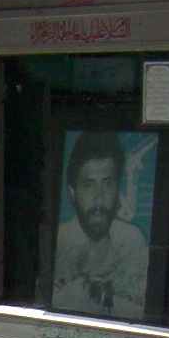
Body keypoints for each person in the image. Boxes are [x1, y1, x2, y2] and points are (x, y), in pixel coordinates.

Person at [51, 131, 150, 319]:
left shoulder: (133, 242)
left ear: (118, 189)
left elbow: (141, 314)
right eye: (89, 185)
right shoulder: (58, 244)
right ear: (72, 192)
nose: (99, 198)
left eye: (108, 184)